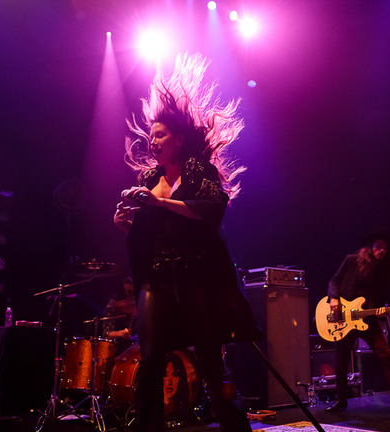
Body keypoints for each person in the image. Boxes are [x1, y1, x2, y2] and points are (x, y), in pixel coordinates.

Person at [113, 53, 264, 432]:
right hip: (157, 280)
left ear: (178, 140)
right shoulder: (149, 179)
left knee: (211, 361)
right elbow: (151, 235)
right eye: (151, 136)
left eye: (160, 134)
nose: (153, 141)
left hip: (197, 277)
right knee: (150, 358)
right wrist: (127, 224)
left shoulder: (198, 171)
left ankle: (234, 425)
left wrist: (159, 203)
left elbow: (212, 210)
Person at [324, 230, 390, 419]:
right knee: (341, 361)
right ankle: (341, 400)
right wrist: (334, 298)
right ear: (370, 248)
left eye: (385, 248)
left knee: (386, 357)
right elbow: (334, 280)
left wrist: (380, 309)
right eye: (378, 247)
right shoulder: (352, 260)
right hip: (344, 318)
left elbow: (379, 298)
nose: (382, 251)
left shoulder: (384, 272)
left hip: (367, 320)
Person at [101, 277, 137, 344]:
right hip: (116, 346)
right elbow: (107, 334)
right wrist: (121, 333)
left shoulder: (139, 305)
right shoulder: (111, 306)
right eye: (129, 292)